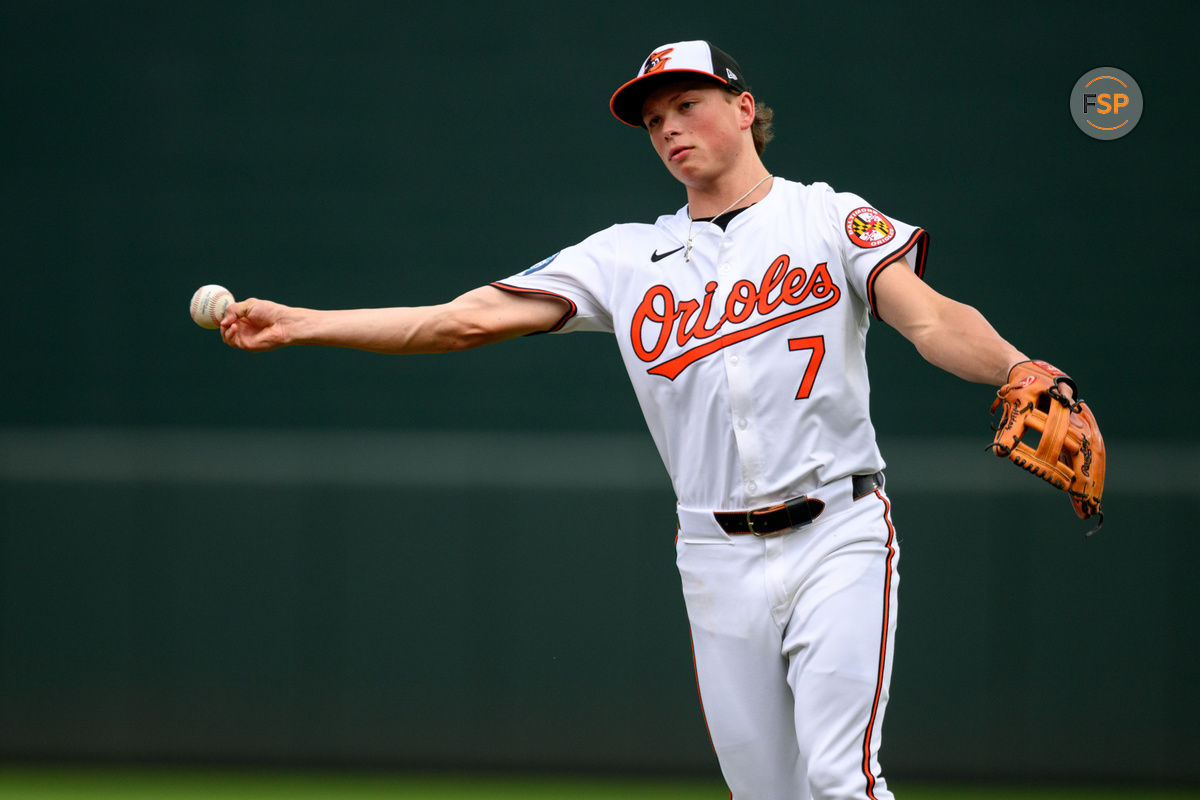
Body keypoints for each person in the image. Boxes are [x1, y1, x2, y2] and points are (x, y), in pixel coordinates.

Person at [221, 41, 1042, 800]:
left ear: (744, 106)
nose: (669, 129)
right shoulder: (623, 257)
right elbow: (461, 320)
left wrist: (1018, 368)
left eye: (688, 105)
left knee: (840, 778)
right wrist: (303, 323)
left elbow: (930, 319)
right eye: (654, 121)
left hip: (839, 532)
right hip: (715, 554)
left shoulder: (828, 218)